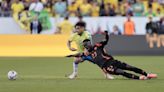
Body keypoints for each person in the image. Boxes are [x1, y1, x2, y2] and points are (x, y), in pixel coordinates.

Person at [67, 31, 157, 80]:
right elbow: (79, 55)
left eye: (88, 43)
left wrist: (106, 34)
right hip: (107, 67)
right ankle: (139, 78)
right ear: (85, 47)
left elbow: (106, 41)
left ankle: (147, 74)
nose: (88, 45)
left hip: (112, 61)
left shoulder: (97, 46)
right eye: (86, 45)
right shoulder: (87, 54)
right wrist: (71, 55)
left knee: (130, 67)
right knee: (122, 72)